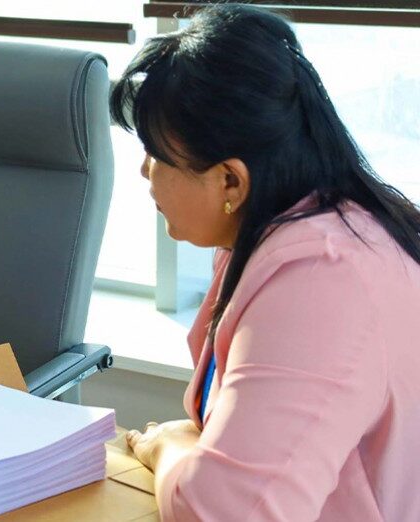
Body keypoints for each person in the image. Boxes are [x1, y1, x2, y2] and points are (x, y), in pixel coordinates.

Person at [110, 4, 420, 520]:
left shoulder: (322, 280)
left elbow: (225, 513)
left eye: (158, 155)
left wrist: (169, 447)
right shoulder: (283, 233)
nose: (145, 172)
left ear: (230, 181)